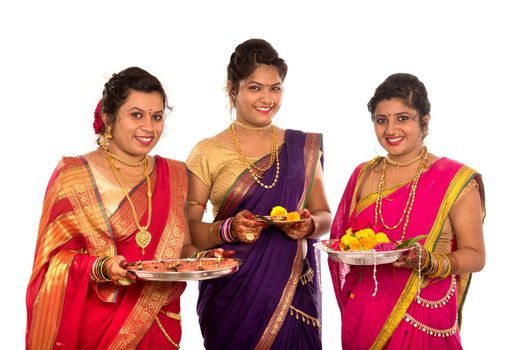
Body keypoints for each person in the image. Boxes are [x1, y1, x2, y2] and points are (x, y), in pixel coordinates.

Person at [26, 67, 202, 349]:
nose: (149, 127)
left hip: (158, 323)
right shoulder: (73, 175)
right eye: (136, 115)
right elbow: (50, 266)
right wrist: (100, 266)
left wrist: (207, 257)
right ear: (109, 118)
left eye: (156, 117)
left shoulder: (176, 174)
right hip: (97, 327)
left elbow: (182, 249)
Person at [186, 38, 332, 349]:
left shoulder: (301, 147)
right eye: (255, 88)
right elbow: (187, 233)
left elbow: (324, 216)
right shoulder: (207, 152)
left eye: (275, 88)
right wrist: (228, 228)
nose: (267, 98)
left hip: (293, 294)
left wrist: (308, 226)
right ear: (232, 89)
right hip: (232, 295)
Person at [328, 73, 486, 349]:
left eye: (403, 118)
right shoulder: (363, 175)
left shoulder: (454, 180)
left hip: (424, 313)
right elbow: (342, 241)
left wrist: (431, 263)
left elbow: (476, 255)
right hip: (364, 313)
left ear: (424, 121)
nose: (390, 129)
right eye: (381, 120)